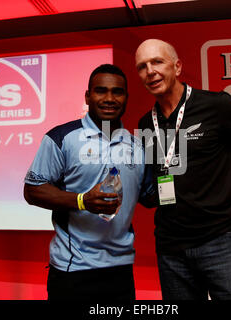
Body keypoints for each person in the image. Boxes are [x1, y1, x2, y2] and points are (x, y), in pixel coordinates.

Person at [135, 39, 231, 300]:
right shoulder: (146, 123)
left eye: (157, 62)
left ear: (177, 67)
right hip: (171, 249)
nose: (150, 71)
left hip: (222, 243)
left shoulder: (216, 105)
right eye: (142, 66)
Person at [24, 64, 151, 301]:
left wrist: (177, 167)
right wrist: (82, 200)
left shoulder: (139, 146)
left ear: (126, 97)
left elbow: (152, 197)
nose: (109, 98)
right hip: (73, 269)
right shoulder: (62, 137)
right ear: (88, 96)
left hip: (121, 270)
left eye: (117, 92)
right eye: (101, 91)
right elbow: (32, 191)